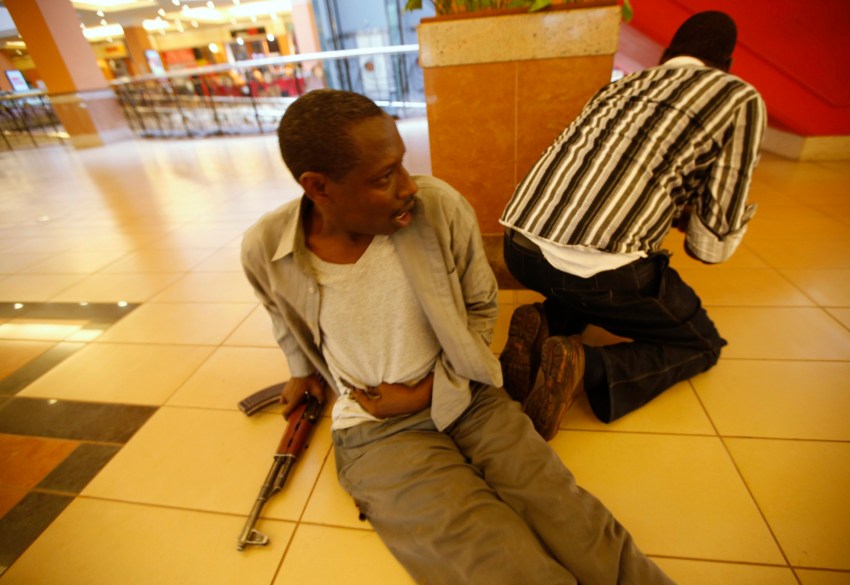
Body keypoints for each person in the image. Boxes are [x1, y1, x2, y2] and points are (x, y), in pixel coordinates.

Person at [241, 89, 675, 585]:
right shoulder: (266, 248)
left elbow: (481, 303)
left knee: (575, 522)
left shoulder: (438, 209)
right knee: (493, 561)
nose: (408, 186)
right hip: (377, 428)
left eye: (402, 164)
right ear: (318, 187)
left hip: (468, 396)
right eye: (385, 177)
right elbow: (279, 309)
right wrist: (302, 370)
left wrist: (430, 391)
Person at [499, 11, 767, 440]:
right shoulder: (738, 97)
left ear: (666, 55)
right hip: (601, 274)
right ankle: (586, 367)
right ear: (726, 65)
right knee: (700, 344)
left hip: (520, 249)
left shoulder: (620, 85)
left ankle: (544, 322)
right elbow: (711, 248)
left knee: (579, 266)